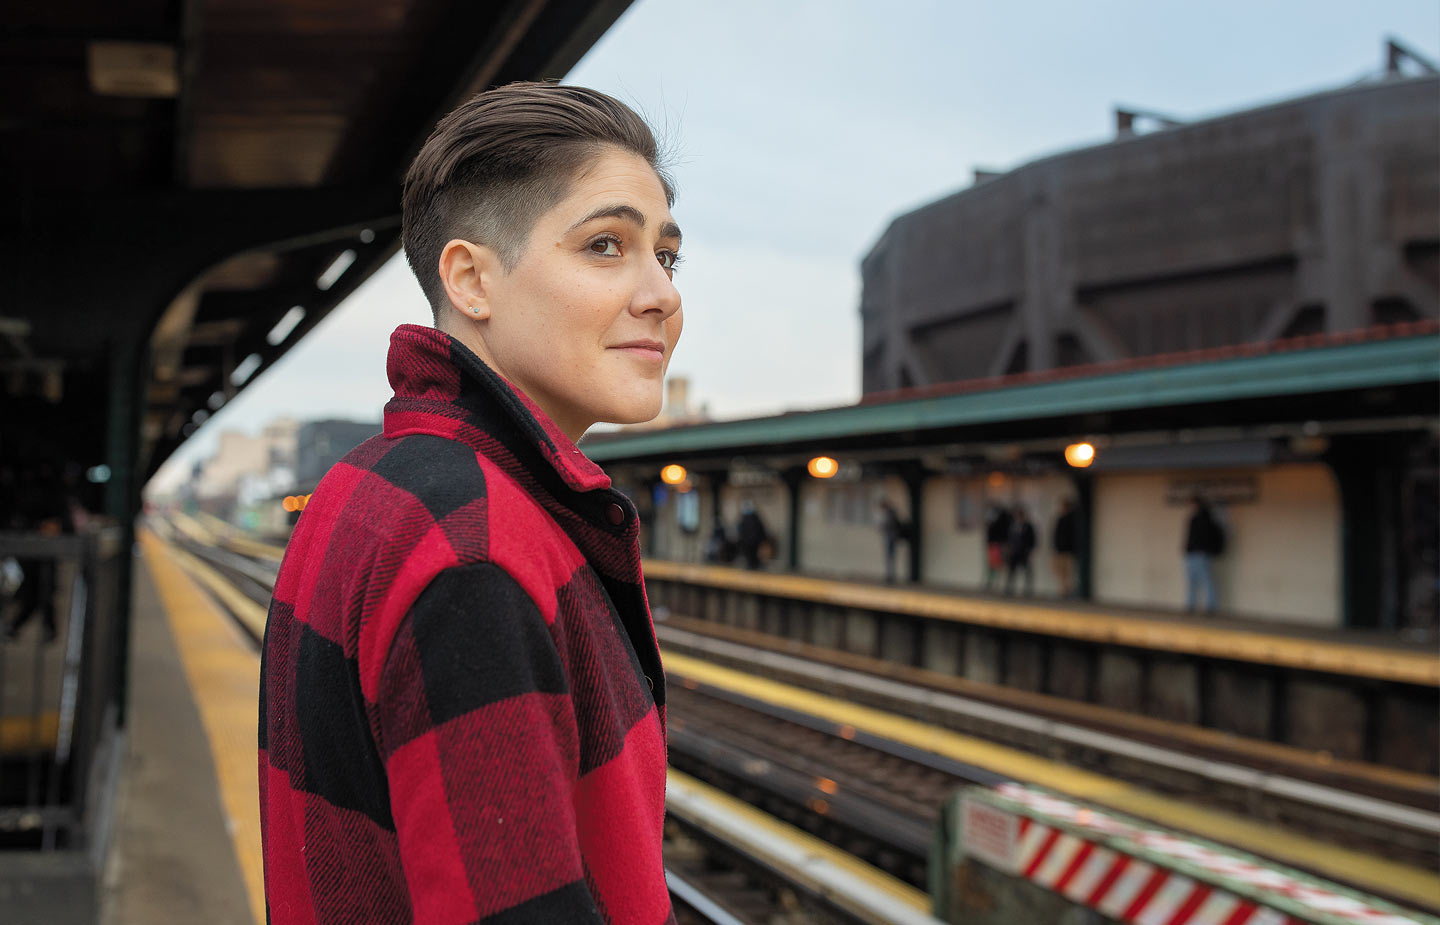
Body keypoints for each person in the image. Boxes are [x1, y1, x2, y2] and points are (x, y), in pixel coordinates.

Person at [259, 83, 682, 924]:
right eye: (606, 245)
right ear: (471, 280)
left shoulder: (369, 486)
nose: (661, 295)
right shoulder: (478, 546)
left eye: (665, 256)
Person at [1184, 496, 1225, 614]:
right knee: (1191, 582)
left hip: (1202, 554)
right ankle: (1190, 605)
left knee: (1207, 581)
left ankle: (1211, 607)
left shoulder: (1208, 519)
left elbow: (1215, 536)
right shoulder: (1193, 519)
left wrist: (1211, 550)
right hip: (1191, 554)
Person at [1004, 505, 1036, 597]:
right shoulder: (1012, 526)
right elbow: (1009, 538)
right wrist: (1008, 548)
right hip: (1014, 552)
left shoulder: (1028, 526)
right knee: (1011, 571)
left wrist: (1030, 550)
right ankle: (1009, 589)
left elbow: (1033, 539)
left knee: (1027, 571)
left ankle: (1028, 590)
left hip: (1024, 552)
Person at [1051, 499, 1078, 598]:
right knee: (1060, 571)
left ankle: (1068, 590)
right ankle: (1064, 589)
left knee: (1069, 571)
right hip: (1060, 550)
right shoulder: (1060, 519)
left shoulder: (1072, 519)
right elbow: (1056, 535)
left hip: (1069, 551)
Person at [984, 502, 1013, 591]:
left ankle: (1000, 585)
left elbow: (1005, 532)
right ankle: (992, 584)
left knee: (1000, 565)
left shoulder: (1003, 518)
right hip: (993, 544)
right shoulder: (993, 519)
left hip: (999, 544)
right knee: (992, 565)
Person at [736, 501, 768, 570]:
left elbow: (741, 531)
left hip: (750, 542)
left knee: (751, 558)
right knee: (752, 558)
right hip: (752, 542)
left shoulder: (746, 519)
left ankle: (752, 567)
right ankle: (753, 567)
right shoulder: (754, 518)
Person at [879, 499, 904, 583]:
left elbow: (890, 525)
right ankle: (889, 575)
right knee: (889, 557)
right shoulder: (889, 513)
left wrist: (883, 528)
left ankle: (891, 576)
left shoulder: (890, 513)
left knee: (890, 557)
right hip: (890, 536)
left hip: (891, 537)